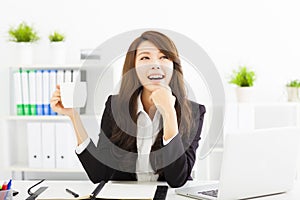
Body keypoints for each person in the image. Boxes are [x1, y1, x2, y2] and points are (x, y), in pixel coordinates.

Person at [50, 31, 206, 188]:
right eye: (145, 58)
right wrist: (73, 116)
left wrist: (169, 113)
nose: (155, 64)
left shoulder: (193, 112)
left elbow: (177, 179)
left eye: (164, 57)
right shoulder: (115, 106)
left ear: (174, 66)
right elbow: (99, 173)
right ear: (134, 68)